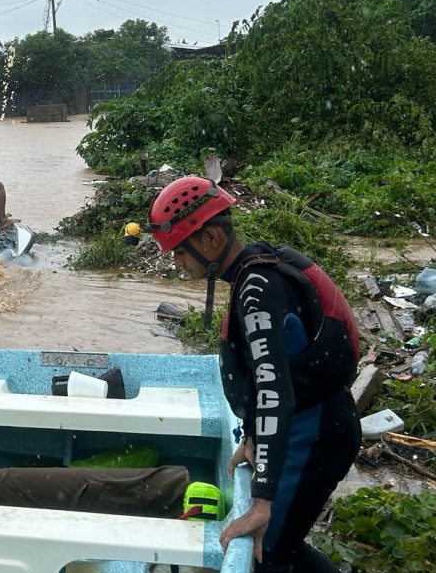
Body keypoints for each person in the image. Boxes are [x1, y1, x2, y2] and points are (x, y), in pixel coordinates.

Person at [146, 176, 359, 573]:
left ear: (209, 239)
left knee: (267, 555)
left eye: (178, 252)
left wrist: (262, 500)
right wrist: (251, 434)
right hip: (312, 427)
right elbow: (270, 373)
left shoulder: (256, 290)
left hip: (312, 437)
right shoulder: (253, 274)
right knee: (284, 546)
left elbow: (275, 391)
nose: (176, 263)